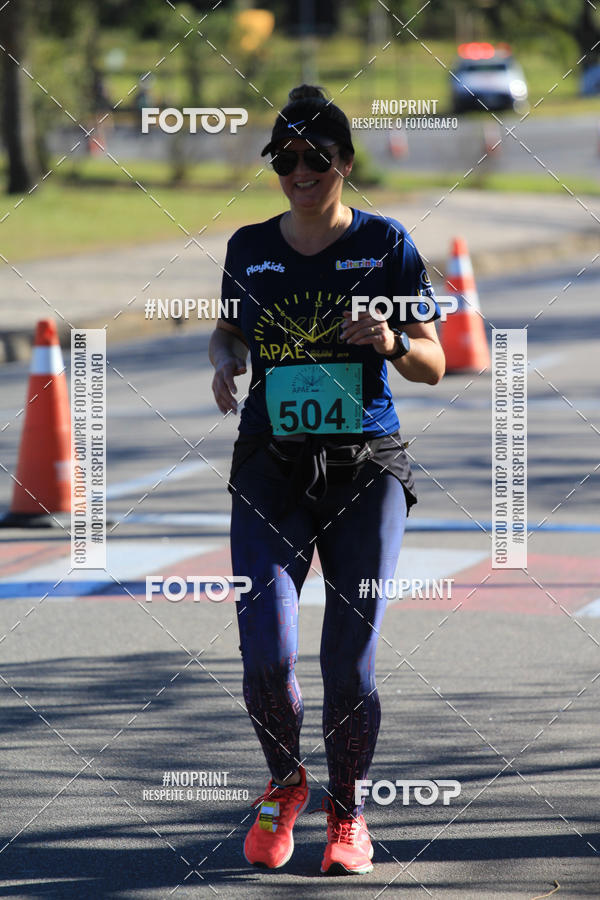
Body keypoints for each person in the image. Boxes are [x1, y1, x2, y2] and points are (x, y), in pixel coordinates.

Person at [209, 84, 445, 876]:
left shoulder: (387, 243)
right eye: (286, 159)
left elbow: (435, 364)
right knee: (265, 657)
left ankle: (349, 815)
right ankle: (285, 785)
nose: (300, 171)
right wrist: (225, 358)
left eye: (317, 158)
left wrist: (389, 343)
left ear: (345, 162)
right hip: (269, 466)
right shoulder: (249, 247)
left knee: (348, 663)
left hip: (364, 469)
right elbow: (229, 326)